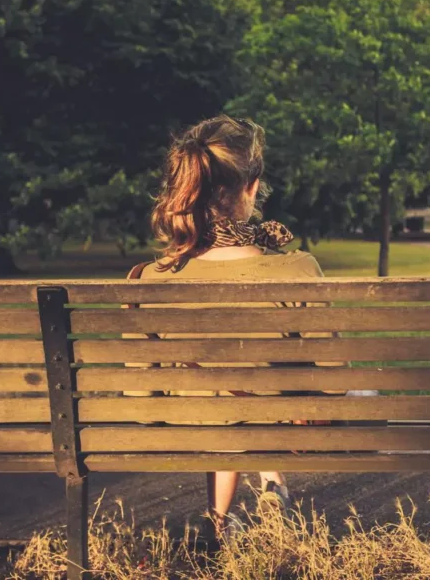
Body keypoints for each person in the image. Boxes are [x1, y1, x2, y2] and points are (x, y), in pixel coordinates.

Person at [127, 114, 327, 541]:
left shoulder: (152, 277)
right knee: (265, 395)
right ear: (251, 186)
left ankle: (221, 520)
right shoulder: (298, 269)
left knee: (224, 406)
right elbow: (332, 383)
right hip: (273, 418)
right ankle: (272, 483)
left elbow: (140, 397)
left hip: (190, 424)